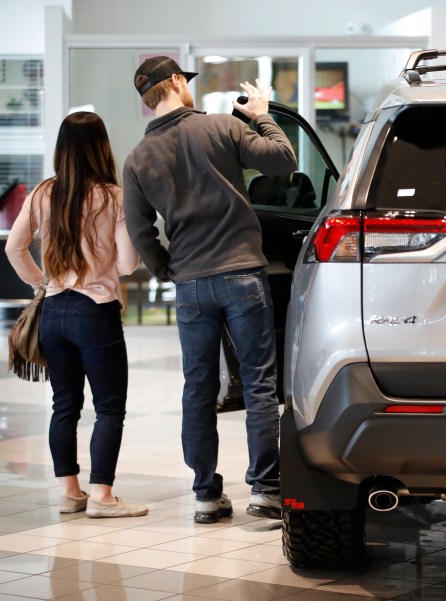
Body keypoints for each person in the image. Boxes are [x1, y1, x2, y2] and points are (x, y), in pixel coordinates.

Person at [122, 56, 297, 524]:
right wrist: (261, 114)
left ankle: (205, 495)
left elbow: (140, 232)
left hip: (191, 284)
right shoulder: (221, 127)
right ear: (176, 82)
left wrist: (168, 269)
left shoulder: (138, 159)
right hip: (242, 273)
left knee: (198, 388)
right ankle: (265, 490)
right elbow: (283, 160)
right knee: (259, 384)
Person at [5, 112, 148, 519]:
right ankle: (102, 496)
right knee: (108, 407)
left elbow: (14, 249)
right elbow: (126, 265)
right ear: (101, 147)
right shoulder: (114, 197)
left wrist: (41, 283)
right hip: (95, 312)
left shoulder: (43, 193)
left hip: (53, 310)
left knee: (64, 404)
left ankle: (71, 491)